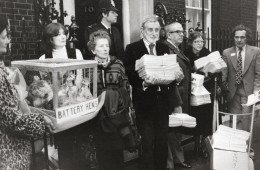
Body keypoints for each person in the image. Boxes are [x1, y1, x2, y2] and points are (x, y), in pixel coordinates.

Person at [123, 15, 182, 170]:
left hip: (163, 103)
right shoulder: (132, 48)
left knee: (162, 143)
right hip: (144, 103)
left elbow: (170, 72)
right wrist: (142, 82)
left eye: (157, 30)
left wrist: (177, 77)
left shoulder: (163, 48)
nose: (154, 33)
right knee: (147, 144)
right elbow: (128, 73)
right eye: (150, 29)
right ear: (142, 31)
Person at [0, 15, 54, 170]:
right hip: (9, 156)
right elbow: (14, 122)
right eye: (4, 37)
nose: (8, 41)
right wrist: (42, 121)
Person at [87, 30, 135, 170]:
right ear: (93, 49)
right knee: (102, 153)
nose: (105, 49)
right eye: (101, 46)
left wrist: (127, 110)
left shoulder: (118, 63)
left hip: (117, 115)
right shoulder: (88, 66)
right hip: (97, 116)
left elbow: (125, 88)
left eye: (107, 45)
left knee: (117, 152)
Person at [39, 22, 84, 170]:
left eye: (64, 33)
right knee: (64, 143)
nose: (63, 37)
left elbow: (80, 74)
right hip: (58, 107)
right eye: (58, 34)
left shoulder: (75, 53)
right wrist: (60, 95)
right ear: (50, 39)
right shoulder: (43, 58)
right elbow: (46, 85)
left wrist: (74, 89)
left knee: (79, 142)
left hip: (76, 102)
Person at [222, 24, 260, 169]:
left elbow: (258, 74)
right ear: (233, 38)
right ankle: (237, 150)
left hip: (248, 93)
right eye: (236, 37)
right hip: (233, 94)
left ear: (247, 38)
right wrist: (223, 89)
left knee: (246, 121)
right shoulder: (227, 52)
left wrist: (256, 93)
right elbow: (224, 74)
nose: (239, 40)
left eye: (242, 37)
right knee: (234, 121)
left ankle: (247, 148)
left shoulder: (255, 51)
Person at [163, 22, 192, 169]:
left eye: (182, 31)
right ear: (168, 34)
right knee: (171, 129)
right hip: (173, 96)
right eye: (178, 31)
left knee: (177, 129)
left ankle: (177, 159)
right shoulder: (166, 49)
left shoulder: (176, 49)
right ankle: (170, 163)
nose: (182, 34)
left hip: (181, 94)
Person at [184, 31, 212, 159]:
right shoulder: (186, 54)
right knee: (196, 116)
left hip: (205, 89)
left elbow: (214, 68)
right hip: (193, 89)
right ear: (191, 42)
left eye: (201, 41)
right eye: (196, 41)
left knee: (206, 117)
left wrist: (210, 70)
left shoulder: (207, 53)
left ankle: (204, 144)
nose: (200, 44)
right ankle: (196, 143)